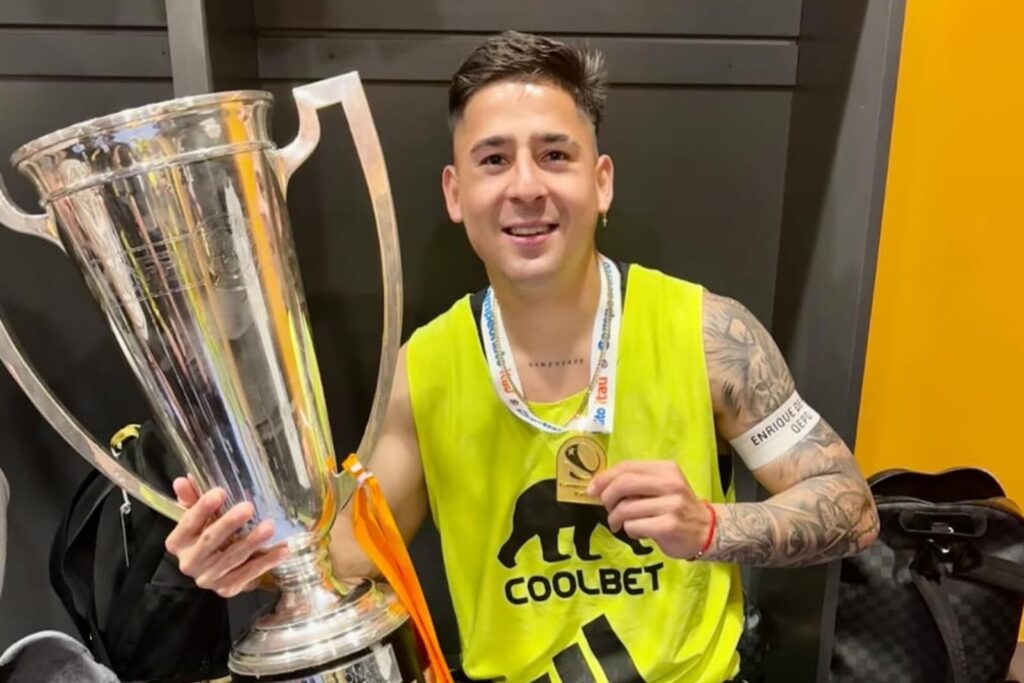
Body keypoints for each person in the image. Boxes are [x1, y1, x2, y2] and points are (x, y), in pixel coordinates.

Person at [164, 31, 879, 682]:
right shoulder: (424, 369)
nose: (527, 186)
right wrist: (253, 557)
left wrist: (713, 527)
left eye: (555, 154)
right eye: (494, 159)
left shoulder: (706, 332)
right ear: (456, 192)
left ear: (601, 182)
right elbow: (346, 560)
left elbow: (850, 504)